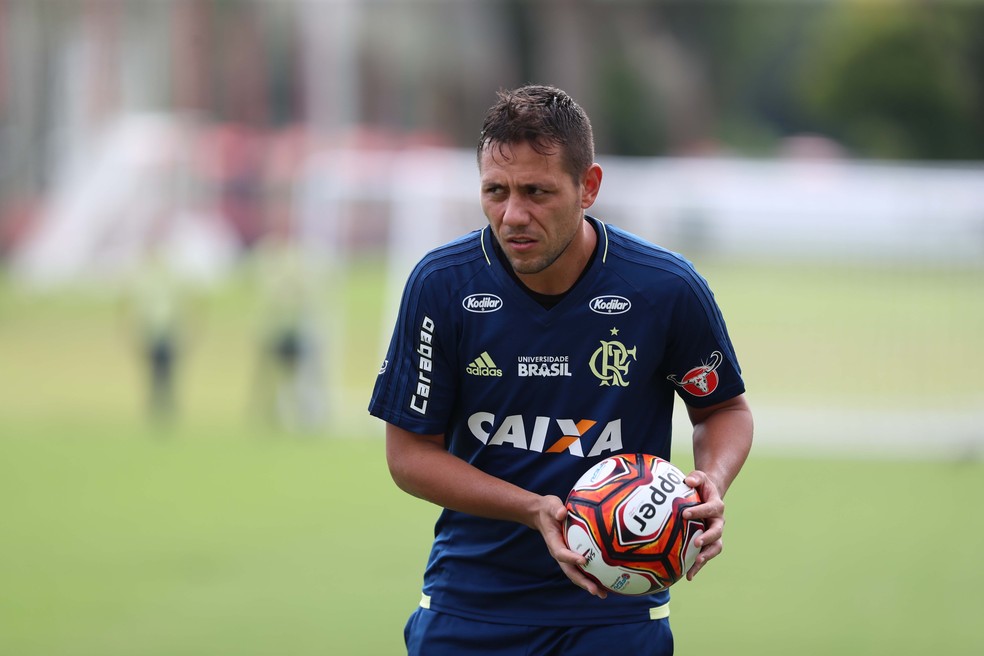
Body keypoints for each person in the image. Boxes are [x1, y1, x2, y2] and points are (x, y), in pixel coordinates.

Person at [368, 84, 753, 655]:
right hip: (471, 607)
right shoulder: (441, 286)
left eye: (537, 192)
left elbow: (724, 409)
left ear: (589, 187)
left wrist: (711, 484)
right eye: (495, 191)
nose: (512, 215)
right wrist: (535, 509)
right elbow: (408, 455)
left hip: (616, 612)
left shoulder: (664, 289)